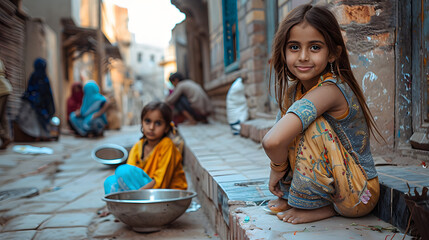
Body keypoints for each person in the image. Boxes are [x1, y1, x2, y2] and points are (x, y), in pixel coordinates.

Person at [262, 4, 383, 224]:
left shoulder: (330, 90)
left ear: (333, 53)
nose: (303, 56)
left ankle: (316, 206)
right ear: (283, 52)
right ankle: (295, 197)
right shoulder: (294, 92)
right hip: (338, 185)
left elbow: (272, 142)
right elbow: (278, 139)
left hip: (358, 192)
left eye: (315, 47)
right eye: (294, 47)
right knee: (291, 123)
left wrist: (276, 169)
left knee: (307, 124)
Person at [104, 101, 187, 194]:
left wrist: (136, 194)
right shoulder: (138, 146)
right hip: (145, 190)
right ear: (142, 123)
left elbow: (160, 181)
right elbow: (129, 172)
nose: (151, 127)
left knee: (122, 170)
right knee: (110, 182)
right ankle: (130, 204)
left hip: (165, 191)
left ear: (167, 128)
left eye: (158, 123)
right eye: (147, 121)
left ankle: (134, 203)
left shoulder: (167, 145)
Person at [14, 58, 57, 141]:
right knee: (34, 119)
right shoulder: (36, 77)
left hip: (42, 105)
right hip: (33, 104)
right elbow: (30, 90)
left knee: (42, 119)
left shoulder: (44, 78)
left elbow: (47, 94)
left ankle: (43, 135)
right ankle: (35, 135)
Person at [0, 59, 12, 149]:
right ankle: (6, 137)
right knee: (3, 116)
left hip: (1, 90)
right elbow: (6, 73)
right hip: (6, 88)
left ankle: (5, 136)